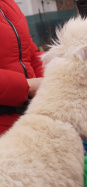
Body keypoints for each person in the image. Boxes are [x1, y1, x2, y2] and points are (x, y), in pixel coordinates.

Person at [0, 0, 43, 135]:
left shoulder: (8, 4)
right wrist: (27, 86)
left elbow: (30, 53)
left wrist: (51, 79)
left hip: (26, 121)